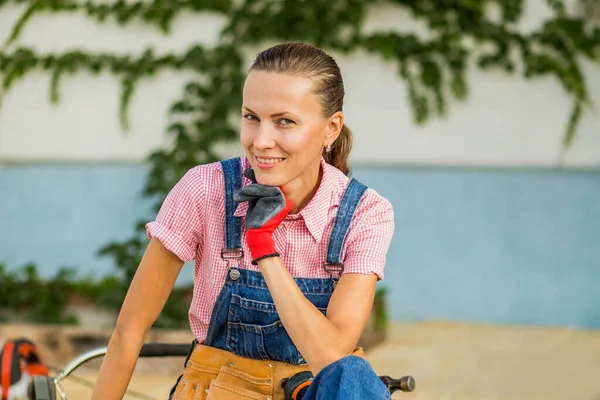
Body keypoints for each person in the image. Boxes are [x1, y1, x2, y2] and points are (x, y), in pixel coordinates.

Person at [91, 41, 395, 400]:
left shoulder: (365, 213)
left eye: (284, 121)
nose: (262, 141)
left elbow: (331, 357)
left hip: (314, 390)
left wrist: (264, 248)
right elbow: (130, 331)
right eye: (252, 117)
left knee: (354, 375)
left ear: (331, 128)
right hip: (216, 388)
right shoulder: (205, 188)